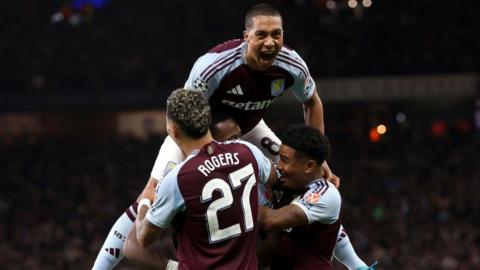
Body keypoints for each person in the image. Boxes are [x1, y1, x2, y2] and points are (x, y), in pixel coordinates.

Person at [93, 3, 339, 268]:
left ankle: (350, 263)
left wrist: (319, 157)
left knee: (306, 176)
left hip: (251, 130)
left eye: (276, 34)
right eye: (262, 35)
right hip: (198, 134)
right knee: (150, 193)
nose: (270, 42)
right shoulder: (213, 66)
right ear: (246, 36)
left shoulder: (292, 65)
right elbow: (184, 117)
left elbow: (312, 103)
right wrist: (208, 156)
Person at [123, 88, 275, 269]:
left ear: (172, 130)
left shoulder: (178, 179)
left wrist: (145, 201)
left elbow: (142, 238)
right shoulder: (247, 151)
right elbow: (275, 177)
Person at [257, 125, 376, 270]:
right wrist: (357, 265)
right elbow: (337, 233)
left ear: (308, 166)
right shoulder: (287, 182)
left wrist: (241, 197)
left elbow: (270, 220)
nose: (279, 166)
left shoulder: (325, 193)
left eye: (284, 160)